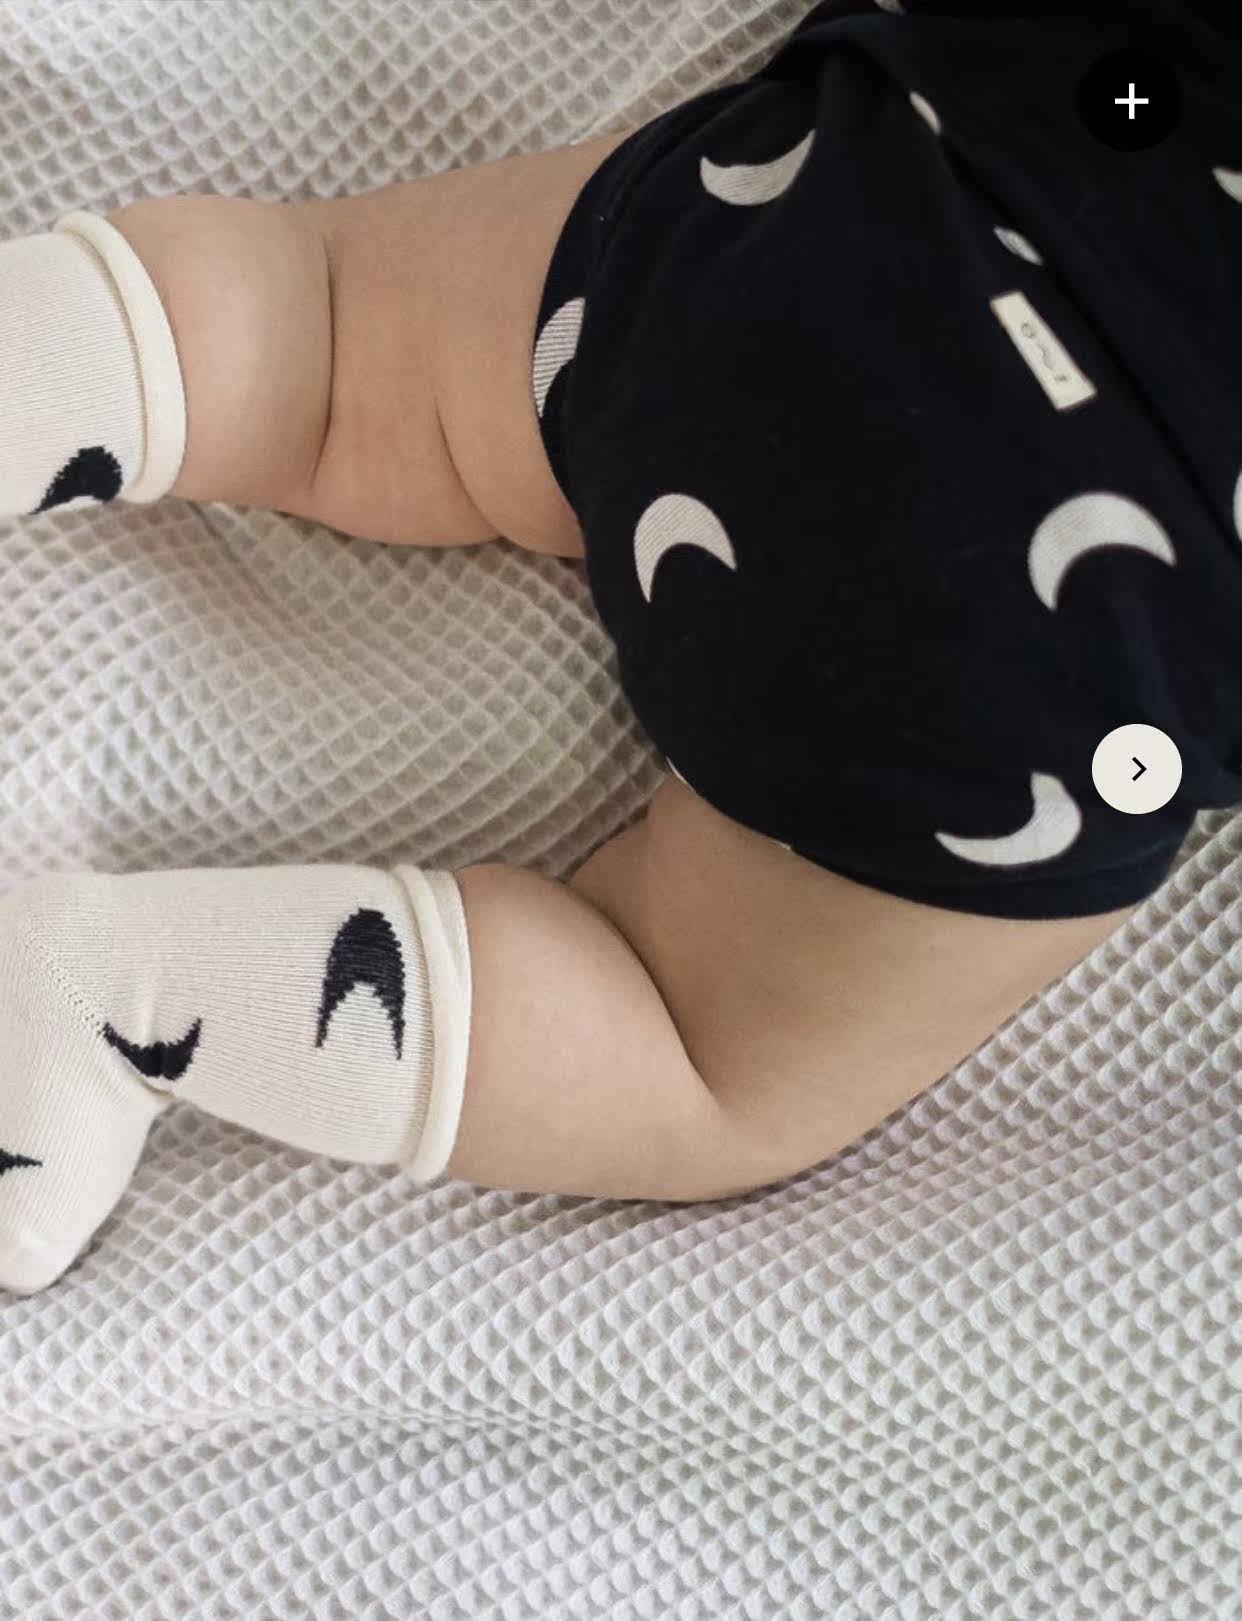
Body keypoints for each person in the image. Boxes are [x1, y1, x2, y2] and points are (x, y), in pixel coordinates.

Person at [0, 0, 1237, 1294]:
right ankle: (122, 1001)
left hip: (843, 216)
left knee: (323, 339)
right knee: (688, 1047)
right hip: (1061, 666)